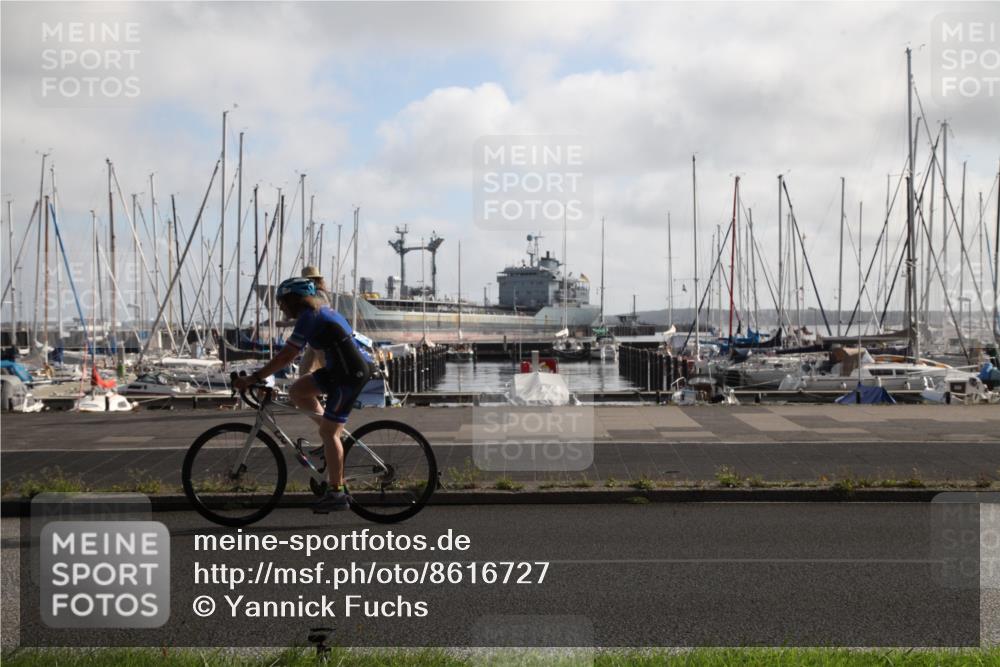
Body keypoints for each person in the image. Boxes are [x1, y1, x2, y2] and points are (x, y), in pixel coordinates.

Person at [233, 277, 372, 512]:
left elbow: (286, 356)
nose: (280, 307)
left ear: (294, 299)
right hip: (338, 370)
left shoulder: (310, 317)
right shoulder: (318, 312)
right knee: (298, 391)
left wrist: (254, 378)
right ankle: (332, 440)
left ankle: (337, 493)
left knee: (328, 432)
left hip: (349, 375)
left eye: (282, 302)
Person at [299, 266, 330, 375]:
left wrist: (285, 323)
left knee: (323, 366)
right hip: (316, 336)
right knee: (305, 368)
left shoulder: (318, 294)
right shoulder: (317, 293)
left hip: (321, 336)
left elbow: (316, 314)